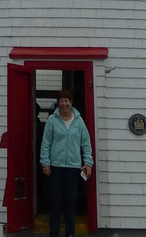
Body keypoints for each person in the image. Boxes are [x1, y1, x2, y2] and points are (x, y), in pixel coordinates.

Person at [39, 89, 94, 237]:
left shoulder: (79, 121)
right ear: (58, 103)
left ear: (71, 102)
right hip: (56, 167)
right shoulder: (52, 120)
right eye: (62, 101)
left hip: (73, 167)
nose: (64, 104)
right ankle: (54, 232)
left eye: (67, 101)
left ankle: (70, 232)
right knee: (55, 201)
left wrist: (88, 163)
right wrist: (45, 163)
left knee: (71, 201)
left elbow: (86, 144)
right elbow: (46, 143)